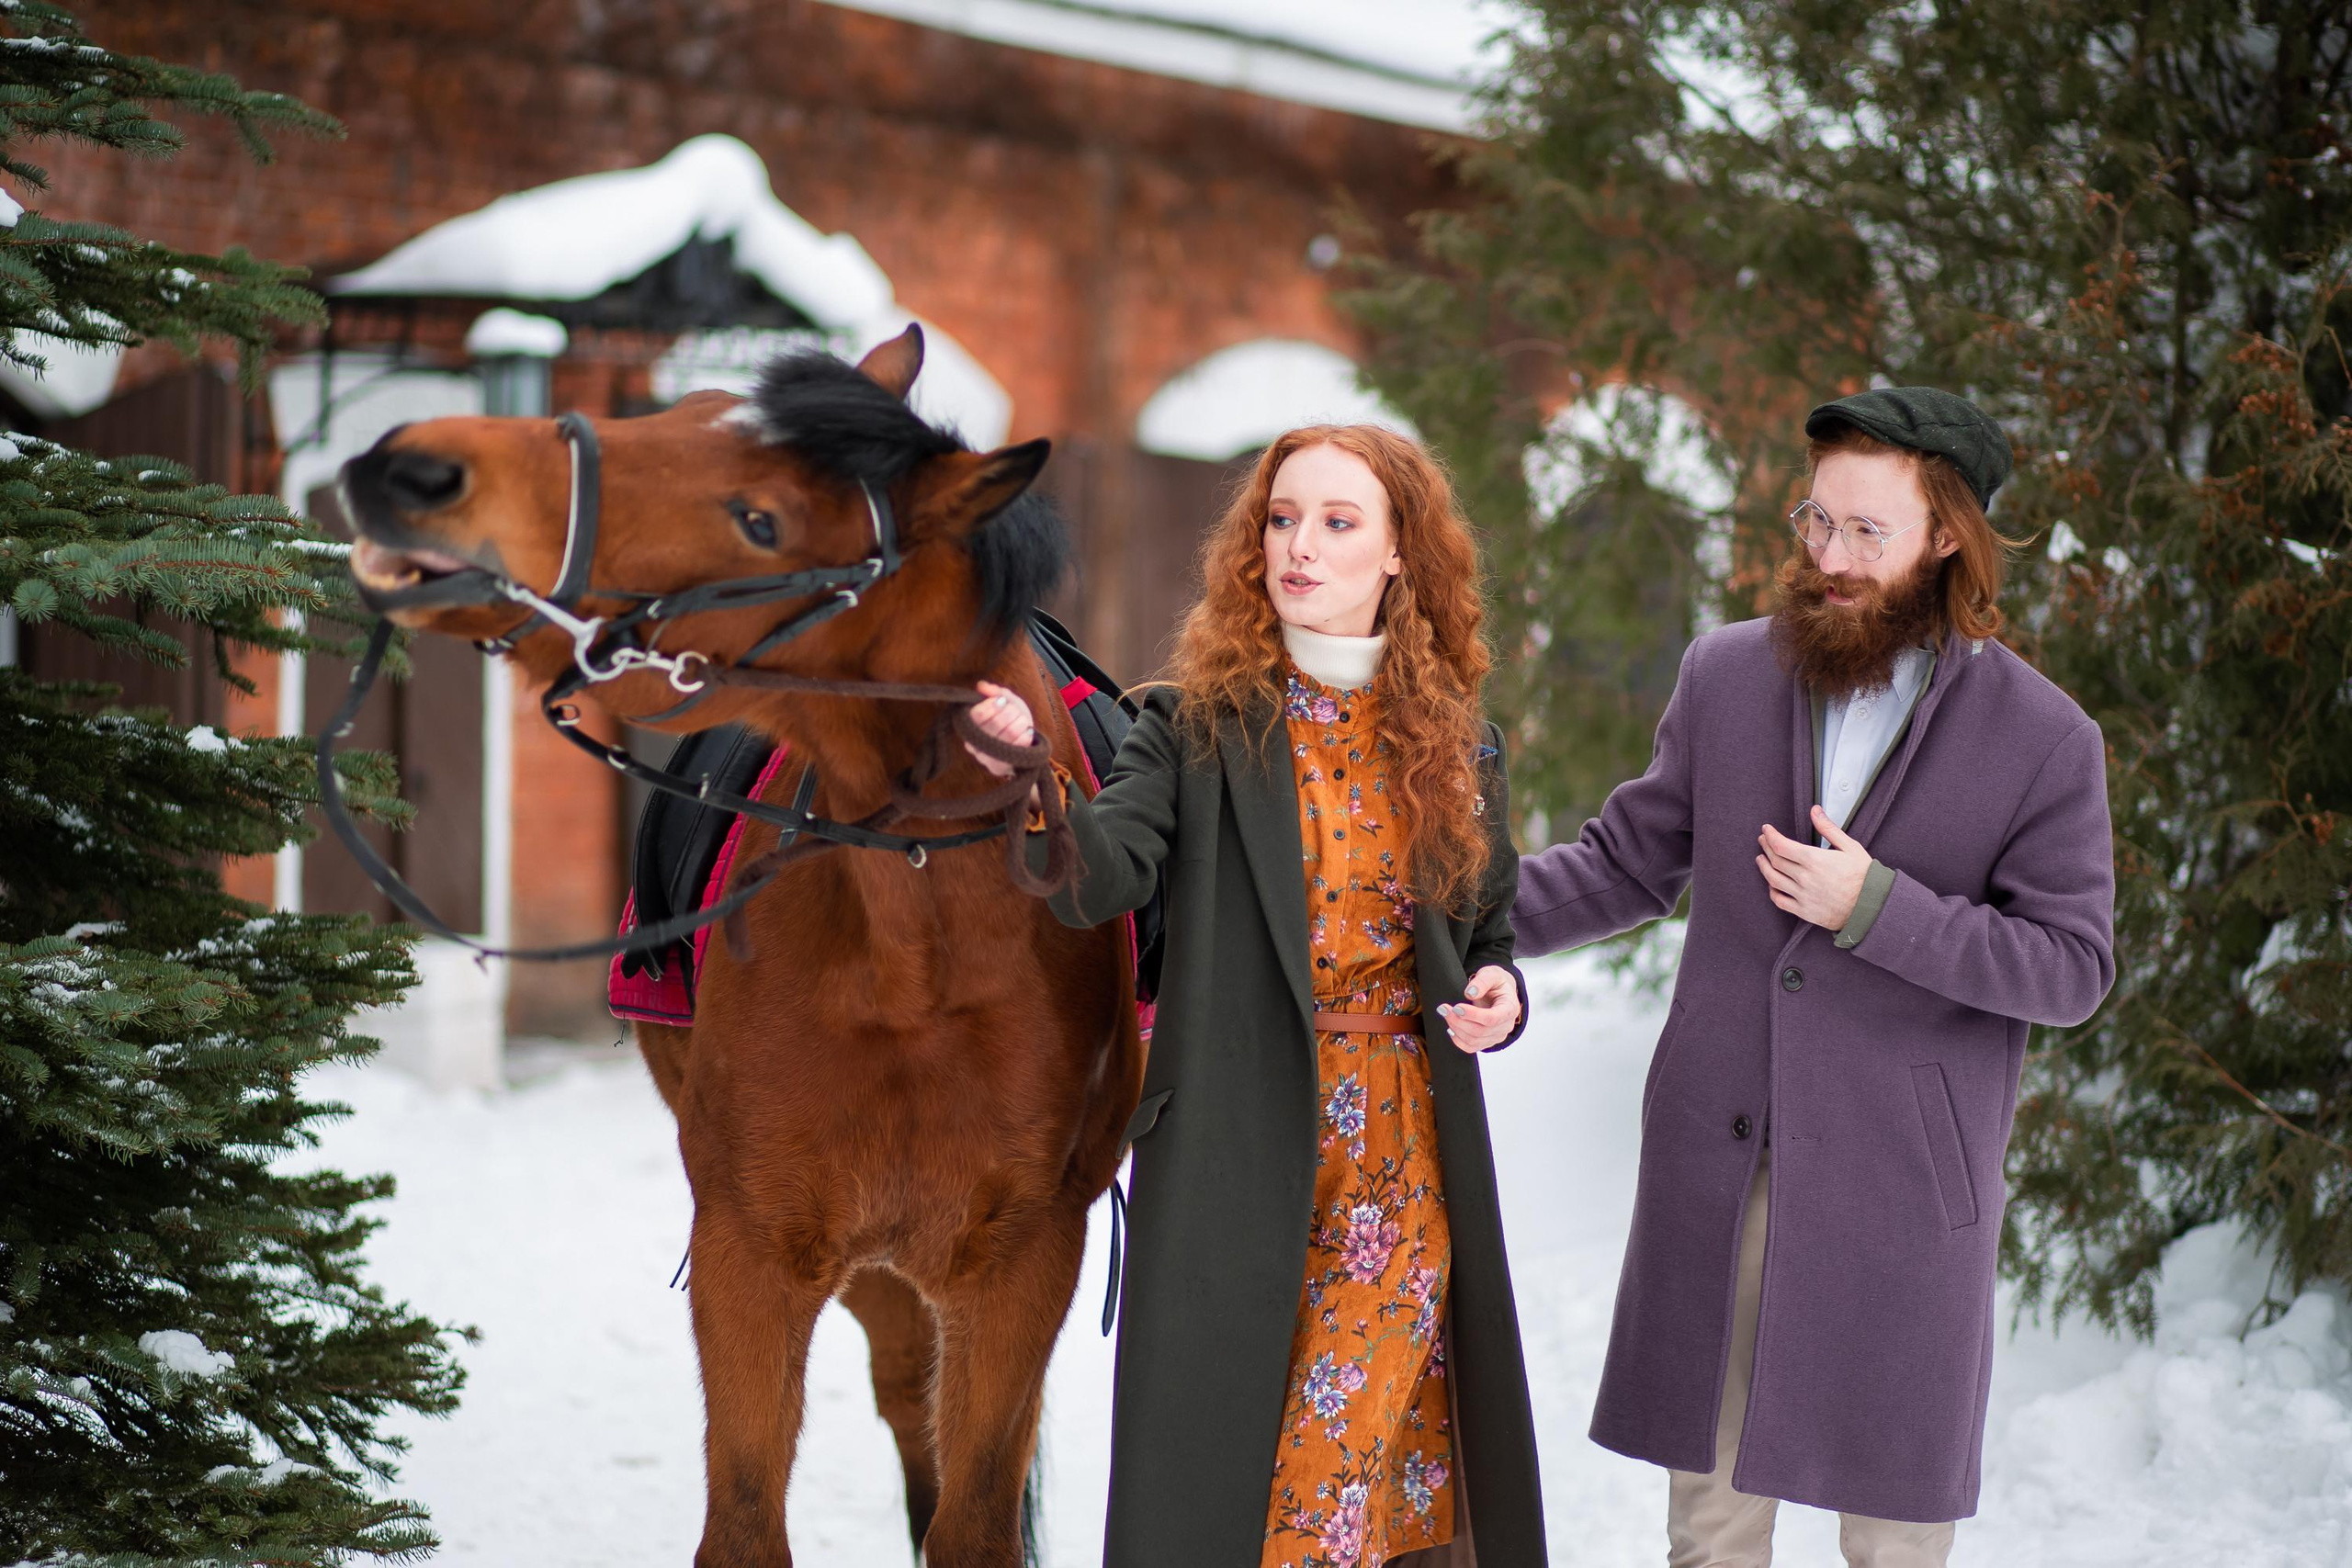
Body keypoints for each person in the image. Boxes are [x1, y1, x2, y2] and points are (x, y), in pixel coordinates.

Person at [1514, 388, 2117, 1567]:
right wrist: (1453, 921)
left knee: (1892, 1543)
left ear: (1945, 540)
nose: (1831, 558)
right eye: (1816, 521)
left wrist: (1877, 908)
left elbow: (2070, 967)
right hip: (1721, 1163)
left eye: (1867, 532)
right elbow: (1627, 862)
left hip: (1902, 1196)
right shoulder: (1726, 674)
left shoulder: (2045, 740)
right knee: (1710, 1539)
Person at [966, 424, 1546, 1568]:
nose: (1298, 546)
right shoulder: (1191, 727)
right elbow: (1098, 879)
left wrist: (1500, 992)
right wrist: (1034, 773)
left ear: (1399, 552)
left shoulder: (1458, 743)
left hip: (1403, 1156)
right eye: (1281, 519)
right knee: (1229, 1476)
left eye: (1337, 522)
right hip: (1232, 1145)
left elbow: (1487, 930)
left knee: (1325, 1500)